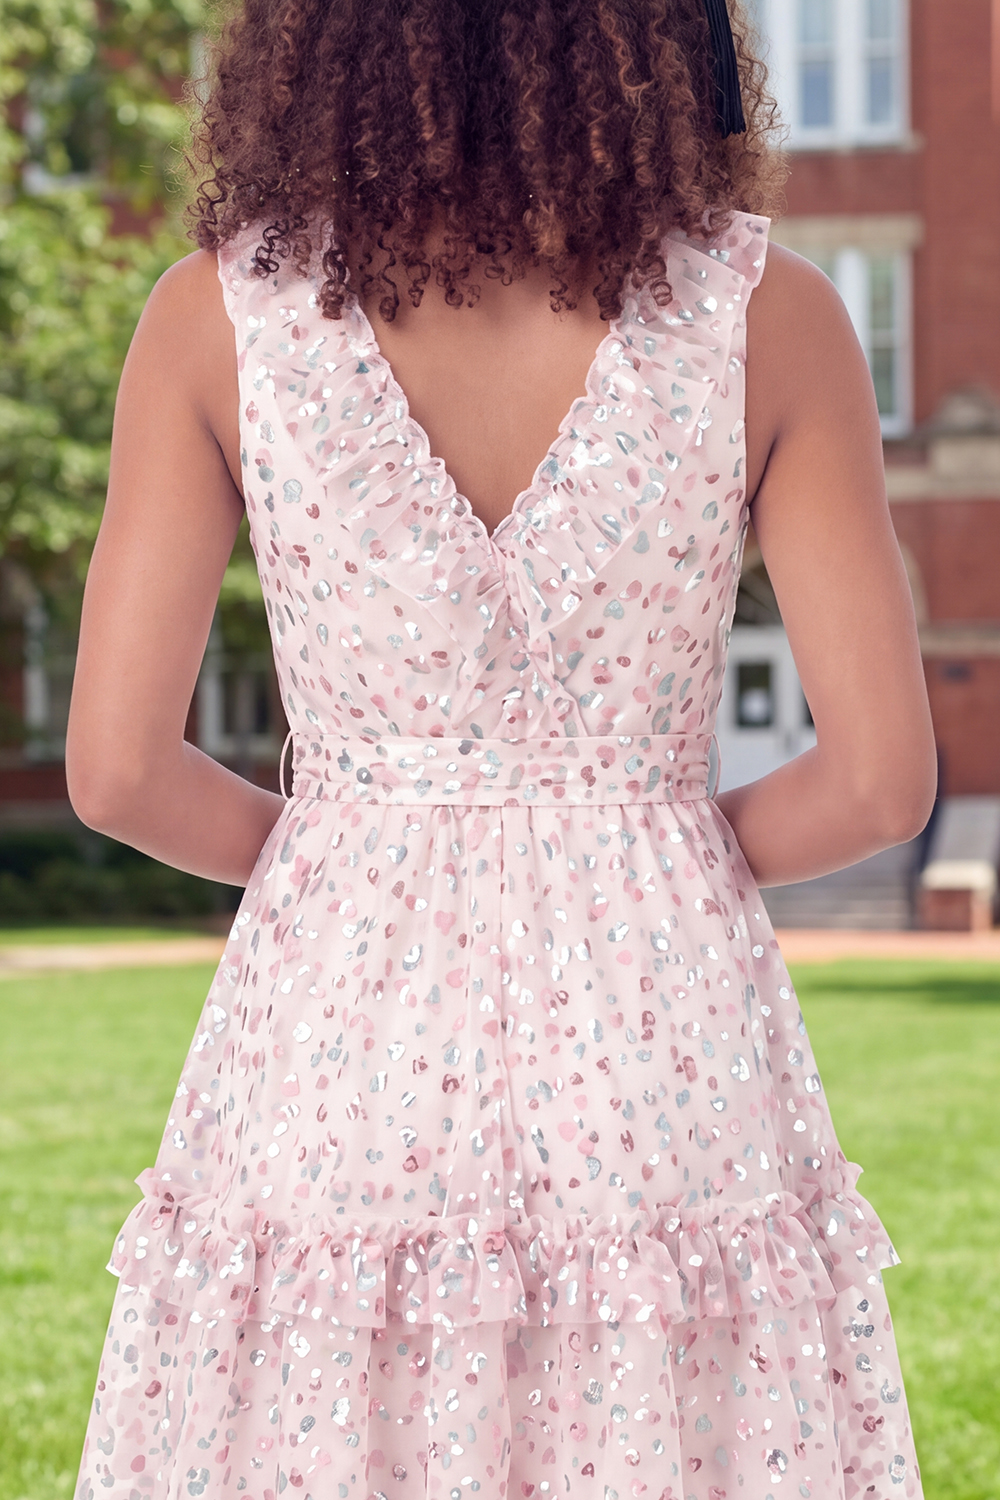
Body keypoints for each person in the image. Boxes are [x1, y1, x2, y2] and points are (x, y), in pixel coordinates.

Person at [67, 2, 935, 1497]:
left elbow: (117, 770)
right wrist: (650, 842)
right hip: (664, 1029)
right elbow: (879, 780)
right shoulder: (767, 314)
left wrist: (349, 849)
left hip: (337, 1023)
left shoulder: (216, 318)